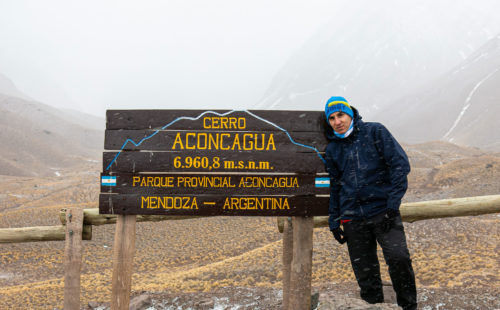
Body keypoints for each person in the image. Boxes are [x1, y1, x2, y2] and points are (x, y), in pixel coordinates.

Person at [323, 96, 417, 310]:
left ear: (351, 114)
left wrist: (392, 205)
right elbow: (336, 187)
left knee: (399, 259)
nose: (337, 121)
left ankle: (409, 307)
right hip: (352, 218)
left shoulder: (375, 132)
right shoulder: (333, 150)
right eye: (332, 118)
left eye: (341, 115)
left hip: (384, 212)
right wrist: (334, 220)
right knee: (365, 274)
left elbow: (400, 165)